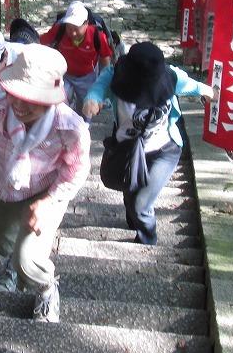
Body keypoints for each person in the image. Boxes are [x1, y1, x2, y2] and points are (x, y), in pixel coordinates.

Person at [0, 45, 89, 323]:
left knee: (27, 258)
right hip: (0, 183)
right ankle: (12, 266)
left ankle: (46, 287)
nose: (19, 105)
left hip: (46, 192)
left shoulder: (69, 127)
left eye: (31, 98)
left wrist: (48, 203)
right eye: (15, 94)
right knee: (4, 243)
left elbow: (77, 168)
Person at [82, 41, 215, 246]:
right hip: (128, 150)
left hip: (164, 149)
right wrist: (92, 100)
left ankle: (147, 242)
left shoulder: (169, 76)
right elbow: (98, 88)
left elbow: (191, 85)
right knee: (130, 193)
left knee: (141, 203)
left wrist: (207, 91)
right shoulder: (115, 75)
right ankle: (134, 221)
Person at [40, 0, 113, 113]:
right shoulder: (59, 30)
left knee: (85, 108)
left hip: (87, 77)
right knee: (58, 101)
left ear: (86, 23)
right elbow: (41, 41)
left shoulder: (97, 36)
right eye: (69, 28)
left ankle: (82, 126)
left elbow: (105, 59)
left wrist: (103, 84)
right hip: (64, 75)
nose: (72, 33)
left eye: (76, 29)